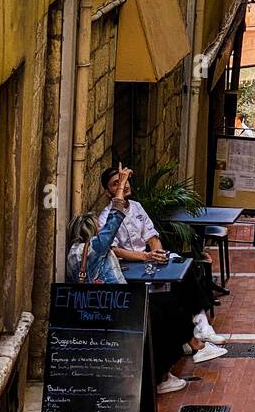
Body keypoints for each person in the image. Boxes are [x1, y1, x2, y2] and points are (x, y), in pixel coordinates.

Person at [67, 166, 197, 394]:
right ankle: (162, 374)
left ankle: (181, 352)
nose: (102, 230)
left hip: (103, 305)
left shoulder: (73, 254)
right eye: (99, 229)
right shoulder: (96, 249)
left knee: (166, 304)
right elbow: (114, 219)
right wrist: (124, 179)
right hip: (116, 307)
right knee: (165, 310)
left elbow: (150, 235)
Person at [97, 166, 228, 366]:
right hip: (131, 267)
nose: (124, 185)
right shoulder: (105, 217)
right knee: (168, 297)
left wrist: (158, 253)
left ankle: (201, 324)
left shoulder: (138, 207)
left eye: (123, 181)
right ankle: (191, 341)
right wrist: (145, 256)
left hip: (149, 259)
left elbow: (152, 235)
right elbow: (114, 250)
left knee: (186, 269)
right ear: (107, 192)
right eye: (116, 184)